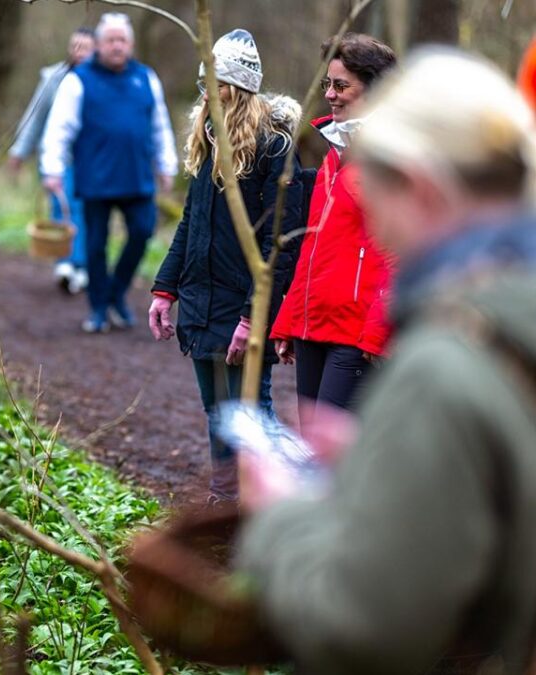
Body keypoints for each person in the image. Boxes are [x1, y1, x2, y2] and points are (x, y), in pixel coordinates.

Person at [237, 48, 536, 674]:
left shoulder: (447, 366)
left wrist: (282, 516)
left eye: (373, 186)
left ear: (421, 188)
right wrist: (407, 467)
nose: (369, 210)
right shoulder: (508, 325)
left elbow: (363, 631)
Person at [148, 29, 304, 503]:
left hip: (242, 306)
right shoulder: (206, 138)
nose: (206, 94)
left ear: (235, 89)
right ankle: (224, 498)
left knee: (253, 411)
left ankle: (291, 496)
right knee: (218, 409)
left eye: (214, 85)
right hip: (200, 299)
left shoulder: (272, 149)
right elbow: (191, 224)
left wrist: (248, 317)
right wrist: (164, 289)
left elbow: (279, 248)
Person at [269, 33, 396, 427]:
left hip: (356, 335)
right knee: (313, 442)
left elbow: (399, 253)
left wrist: (377, 333)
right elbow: (314, 245)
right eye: (328, 84)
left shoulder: (390, 159)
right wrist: (291, 318)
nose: (330, 94)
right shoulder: (333, 153)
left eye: (341, 85)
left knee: (334, 451)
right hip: (313, 327)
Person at [41, 12, 178, 333]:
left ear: (131, 44)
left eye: (122, 40)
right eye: (110, 40)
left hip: (137, 175)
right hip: (96, 177)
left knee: (143, 231)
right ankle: (99, 308)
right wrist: (52, 168)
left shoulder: (146, 77)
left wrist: (167, 164)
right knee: (95, 244)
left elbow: (160, 125)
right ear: (99, 44)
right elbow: (60, 128)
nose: (117, 46)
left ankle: (117, 292)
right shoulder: (78, 80)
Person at [8, 27, 95, 294]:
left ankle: (81, 266)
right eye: (75, 46)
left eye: (85, 48)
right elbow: (35, 117)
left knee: (86, 212)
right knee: (65, 206)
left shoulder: (102, 81)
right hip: (59, 156)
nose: (78, 53)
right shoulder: (52, 78)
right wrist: (19, 151)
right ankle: (68, 263)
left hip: (92, 160)